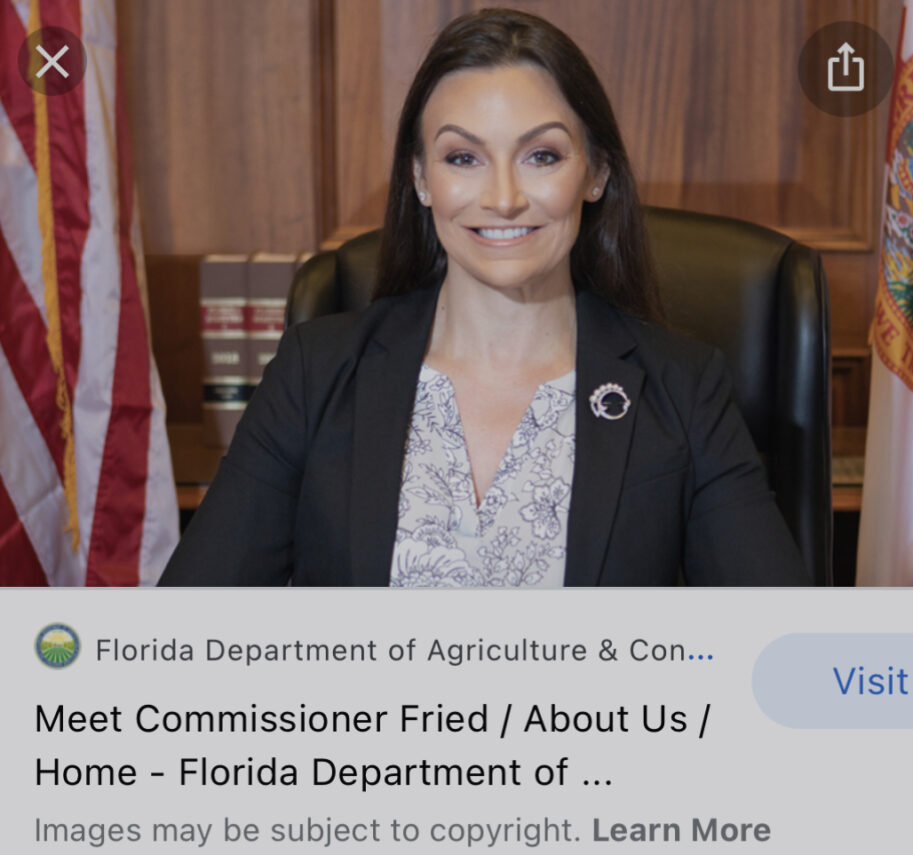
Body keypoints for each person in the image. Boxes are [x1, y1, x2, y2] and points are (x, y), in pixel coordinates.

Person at [160, 8, 810, 586]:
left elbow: (785, 652)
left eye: (542, 156)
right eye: (463, 158)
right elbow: (184, 641)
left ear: (596, 173)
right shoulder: (316, 373)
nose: (502, 197)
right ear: (420, 178)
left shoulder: (682, 389)